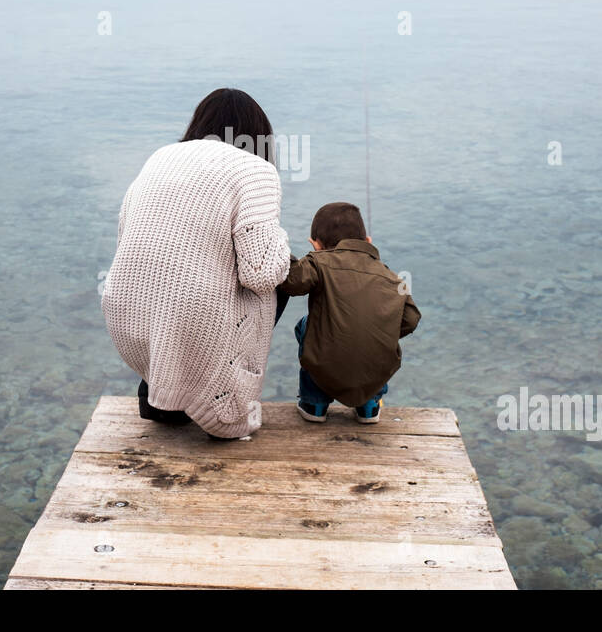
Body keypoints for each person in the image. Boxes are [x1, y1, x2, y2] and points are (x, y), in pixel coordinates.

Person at [102, 88, 291, 438]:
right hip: (191, 316)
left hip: (127, 315)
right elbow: (262, 272)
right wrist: (282, 243)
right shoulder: (257, 170)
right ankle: (226, 402)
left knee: (178, 276)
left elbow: (129, 238)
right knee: (282, 280)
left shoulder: (161, 156)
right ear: (260, 135)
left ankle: (159, 392)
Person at [279, 202, 420, 423]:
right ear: (368, 242)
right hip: (375, 369)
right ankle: (369, 407)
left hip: (326, 361)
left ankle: (314, 404)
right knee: (377, 341)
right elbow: (411, 319)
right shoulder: (392, 279)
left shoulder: (319, 262)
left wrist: (279, 250)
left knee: (304, 326)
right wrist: (380, 329)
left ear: (317, 244)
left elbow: (292, 281)